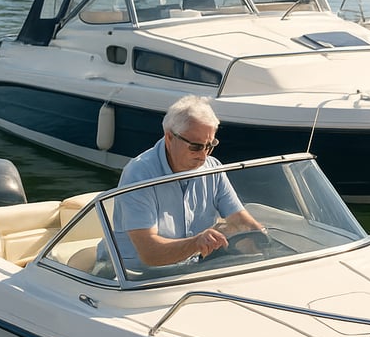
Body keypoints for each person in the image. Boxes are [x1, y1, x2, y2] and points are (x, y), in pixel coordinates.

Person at [111, 95, 264, 270]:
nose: (204, 155)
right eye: (196, 147)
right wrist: (197, 243)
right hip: (133, 277)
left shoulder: (213, 167)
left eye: (210, 145)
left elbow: (239, 220)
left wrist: (264, 237)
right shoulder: (138, 174)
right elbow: (149, 253)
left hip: (190, 270)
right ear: (169, 138)